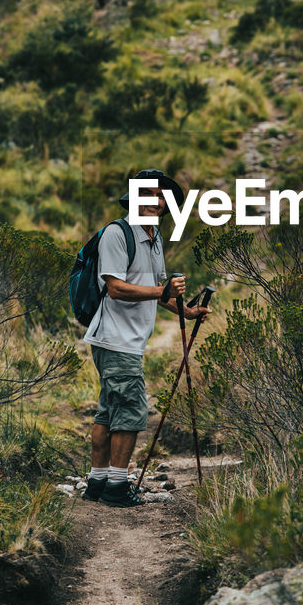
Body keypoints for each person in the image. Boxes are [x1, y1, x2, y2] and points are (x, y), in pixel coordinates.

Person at [82, 168, 210, 507]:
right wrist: (160, 290)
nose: (155, 200)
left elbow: (160, 292)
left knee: (109, 410)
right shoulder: (117, 234)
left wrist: (186, 311)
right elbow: (115, 287)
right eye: (148, 193)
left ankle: (97, 483)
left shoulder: (153, 237)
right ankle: (116, 488)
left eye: (161, 195)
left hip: (128, 340)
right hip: (115, 337)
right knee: (131, 409)